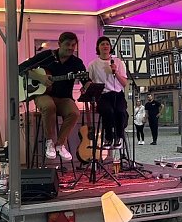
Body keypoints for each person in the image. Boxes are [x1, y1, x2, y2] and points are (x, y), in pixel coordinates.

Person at [28, 31, 86, 162]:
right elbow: (21, 68)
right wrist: (40, 77)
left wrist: (87, 85)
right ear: (59, 44)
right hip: (43, 94)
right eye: (67, 44)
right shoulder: (46, 56)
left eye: (73, 45)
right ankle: (49, 142)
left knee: (74, 112)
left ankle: (60, 144)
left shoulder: (76, 62)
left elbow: (85, 78)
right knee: (49, 106)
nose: (71, 48)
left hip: (64, 98)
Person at [87, 36, 128, 149]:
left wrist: (116, 72)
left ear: (110, 47)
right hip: (103, 95)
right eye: (102, 44)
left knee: (120, 111)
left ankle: (119, 136)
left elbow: (124, 83)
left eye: (107, 44)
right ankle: (108, 137)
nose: (105, 46)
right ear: (98, 47)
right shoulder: (93, 65)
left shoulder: (118, 62)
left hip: (118, 94)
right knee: (107, 111)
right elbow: (88, 82)